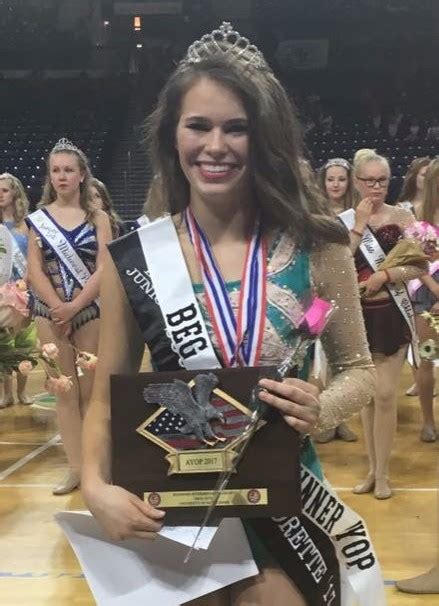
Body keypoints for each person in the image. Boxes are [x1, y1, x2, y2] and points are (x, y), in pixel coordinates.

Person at [81, 23, 384, 606]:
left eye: (236, 128)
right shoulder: (136, 257)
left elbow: (360, 369)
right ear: (173, 135)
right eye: (198, 125)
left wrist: (322, 407)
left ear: (263, 137)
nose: (214, 145)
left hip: (282, 501)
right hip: (169, 503)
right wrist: (95, 486)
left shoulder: (318, 244)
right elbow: (106, 392)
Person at [26, 138, 112, 495]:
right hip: (49, 314)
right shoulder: (38, 220)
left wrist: (74, 306)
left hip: (89, 312)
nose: (61, 176)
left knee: (92, 394)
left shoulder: (99, 218)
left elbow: (105, 267)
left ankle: (98, 469)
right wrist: (58, 306)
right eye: (56, 171)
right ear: (50, 176)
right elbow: (34, 270)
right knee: (64, 391)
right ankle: (75, 468)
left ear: (81, 176)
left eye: (68, 170)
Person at [342, 149, 426, 500]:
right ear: (356, 181)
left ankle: (385, 474)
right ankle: (372, 469)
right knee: (367, 397)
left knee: (387, 394)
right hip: (359, 317)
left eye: (382, 180)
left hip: (392, 312)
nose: (376, 187)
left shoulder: (404, 217)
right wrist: (359, 224)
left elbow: (418, 266)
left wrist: (386, 275)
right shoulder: (343, 220)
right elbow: (338, 266)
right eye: (369, 180)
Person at [314, 158, 358, 443]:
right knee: (319, 359)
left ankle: (340, 419)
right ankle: (321, 421)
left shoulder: (356, 215)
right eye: (331, 179)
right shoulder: (312, 212)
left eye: (341, 179)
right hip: (317, 298)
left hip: (345, 295)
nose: (336, 184)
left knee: (345, 361)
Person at [408, 158, 439, 441]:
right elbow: (415, 261)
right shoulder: (418, 217)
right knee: (427, 359)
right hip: (426, 298)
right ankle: (428, 421)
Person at [397, 156, 431, 397]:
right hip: (414, 282)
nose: (427, 179)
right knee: (417, 338)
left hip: (434, 279)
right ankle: (422, 379)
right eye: (423, 174)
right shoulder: (403, 209)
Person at [0, 172, 35, 407]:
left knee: (25, 344)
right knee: (3, 346)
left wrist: (27, 283)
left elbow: (34, 260)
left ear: (15, 193)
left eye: (4, 190)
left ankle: (22, 392)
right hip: (1, 293)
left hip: (24, 292)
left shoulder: (28, 225)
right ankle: (6, 394)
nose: (0, 194)